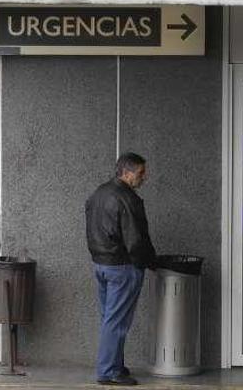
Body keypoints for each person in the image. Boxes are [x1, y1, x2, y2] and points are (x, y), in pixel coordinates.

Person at [85, 152, 157, 386]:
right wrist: (149, 261)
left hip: (101, 264)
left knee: (110, 319)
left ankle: (115, 365)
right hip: (123, 267)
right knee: (116, 322)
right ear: (126, 172)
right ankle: (108, 372)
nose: (144, 177)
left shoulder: (99, 193)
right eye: (140, 172)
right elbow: (135, 240)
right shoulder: (128, 199)